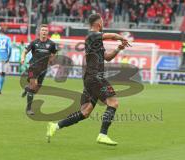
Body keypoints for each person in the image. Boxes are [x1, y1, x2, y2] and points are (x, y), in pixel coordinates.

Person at [47, 13, 130, 146]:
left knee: (85, 112)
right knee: (113, 103)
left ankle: (55, 126)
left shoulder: (96, 42)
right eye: (102, 22)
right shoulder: (92, 35)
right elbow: (113, 36)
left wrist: (118, 48)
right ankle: (103, 134)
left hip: (90, 78)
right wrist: (122, 37)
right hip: (95, 76)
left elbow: (107, 57)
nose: (103, 24)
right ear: (98, 24)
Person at [21, 24, 57, 115]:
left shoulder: (52, 44)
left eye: (46, 30)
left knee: (36, 89)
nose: (44, 32)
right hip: (33, 67)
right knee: (33, 85)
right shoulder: (34, 43)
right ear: (39, 32)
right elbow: (25, 51)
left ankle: (27, 88)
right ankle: (29, 109)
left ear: (48, 32)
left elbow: (53, 54)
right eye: (43, 30)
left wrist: (50, 61)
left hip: (43, 69)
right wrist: (22, 58)